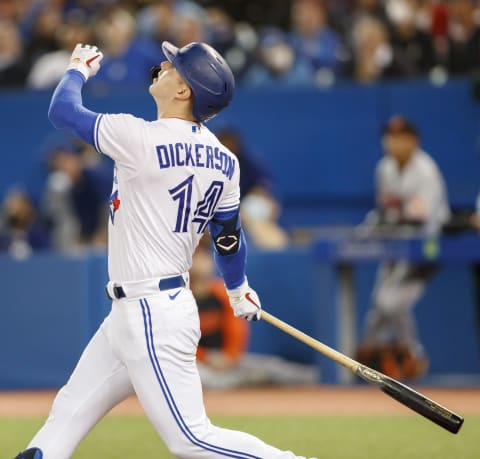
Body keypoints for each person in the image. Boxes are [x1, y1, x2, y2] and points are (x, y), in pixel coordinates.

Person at [14, 42, 317, 459]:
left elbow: (63, 111)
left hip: (151, 311)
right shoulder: (226, 160)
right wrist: (237, 286)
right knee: (66, 414)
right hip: (138, 311)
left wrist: (78, 70)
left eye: (173, 66)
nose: (162, 67)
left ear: (184, 91)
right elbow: (228, 236)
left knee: (191, 439)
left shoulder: (138, 137)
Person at [356, 115, 450, 380]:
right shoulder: (384, 168)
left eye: (399, 136)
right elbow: (385, 211)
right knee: (378, 307)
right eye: (389, 135)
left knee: (389, 303)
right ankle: (382, 357)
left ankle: (410, 354)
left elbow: (419, 216)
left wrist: (389, 219)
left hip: (426, 247)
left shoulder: (425, 169)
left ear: (412, 140)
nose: (392, 141)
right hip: (397, 245)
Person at [192, 246, 317, 389]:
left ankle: (321, 378)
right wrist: (205, 357)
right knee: (201, 378)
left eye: (203, 257)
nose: (199, 264)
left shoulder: (221, 293)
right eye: (195, 258)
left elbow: (237, 332)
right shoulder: (180, 299)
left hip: (229, 361)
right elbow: (178, 342)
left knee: (271, 367)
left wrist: (229, 357)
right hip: (198, 364)